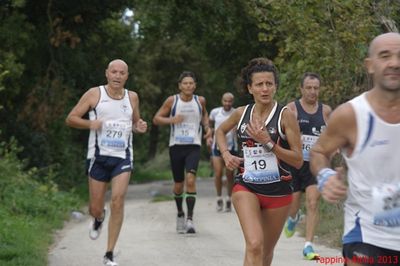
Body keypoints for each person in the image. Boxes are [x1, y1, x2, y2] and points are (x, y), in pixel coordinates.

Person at [310, 32, 400, 266]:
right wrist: (325, 176)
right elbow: (319, 152)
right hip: (367, 235)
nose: (395, 63)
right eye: (385, 56)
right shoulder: (351, 115)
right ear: (370, 66)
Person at [216, 58, 303, 265]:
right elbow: (220, 131)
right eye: (259, 84)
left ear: (275, 86)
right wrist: (226, 154)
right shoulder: (241, 113)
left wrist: (268, 143)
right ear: (250, 88)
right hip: (246, 186)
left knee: (264, 254)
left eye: (269, 84)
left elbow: (298, 160)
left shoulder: (285, 116)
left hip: (279, 190)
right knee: (254, 244)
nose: (265, 89)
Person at [65, 59, 147, 266]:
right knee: (95, 207)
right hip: (98, 158)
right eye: (114, 72)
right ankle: (98, 218)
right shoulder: (94, 94)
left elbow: (135, 122)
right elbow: (71, 118)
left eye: (122, 73)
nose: (117, 76)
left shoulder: (133, 97)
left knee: (118, 201)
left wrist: (140, 126)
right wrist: (91, 123)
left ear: (127, 76)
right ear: (107, 74)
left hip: (123, 157)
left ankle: (109, 254)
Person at [152, 71, 211, 234]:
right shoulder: (172, 101)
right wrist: (171, 120)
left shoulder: (200, 100)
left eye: (191, 83)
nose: (188, 86)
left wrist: (207, 129)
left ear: (195, 85)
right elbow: (156, 119)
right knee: (178, 185)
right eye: (185, 83)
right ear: (180, 86)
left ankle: (190, 220)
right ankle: (180, 213)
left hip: (193, 145)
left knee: (190, 180)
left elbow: (204, 115)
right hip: (176, 146)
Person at [283, 72, 332, 260]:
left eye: (316, 88)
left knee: (313, 202)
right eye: (309, 88)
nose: (313, 91)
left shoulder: (326, 111)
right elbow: (282, 134)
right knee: (293, 202)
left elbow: (333, 133)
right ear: (301, 89)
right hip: (295, 163)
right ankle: (294, 217)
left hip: (315, 165)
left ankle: (308, 245)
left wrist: (331, 147)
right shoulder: (291, 110)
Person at [208, 92, 237, 212]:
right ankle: (219, 198)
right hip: (217, 147)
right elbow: (209, 125)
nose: (227, 103)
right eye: (225, 101)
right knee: (218, 173)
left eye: (230, 101)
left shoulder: (236, 113)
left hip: (231, 147)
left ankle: (229, 199)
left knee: (230, 175)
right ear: (222, 101)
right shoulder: (215, 112)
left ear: (232, 102)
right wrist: (209, 136)